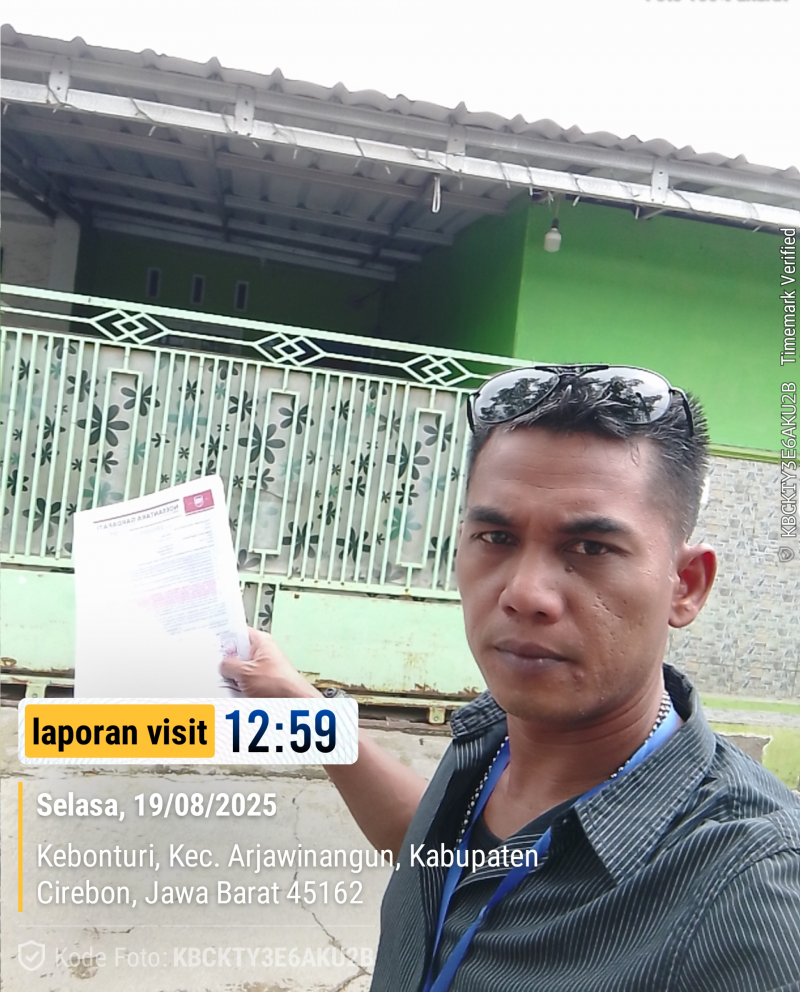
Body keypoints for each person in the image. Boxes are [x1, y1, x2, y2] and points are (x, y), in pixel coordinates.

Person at [222, 364, 800, 992]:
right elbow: (437, 856)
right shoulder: (494, 738)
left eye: (590, 548)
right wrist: (304, 710)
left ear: (684, 585)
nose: (525, 593)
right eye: (496, 536)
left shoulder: (752, 892)